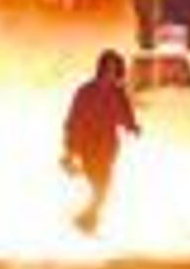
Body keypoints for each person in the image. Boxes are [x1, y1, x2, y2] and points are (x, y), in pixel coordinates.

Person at [60, 49, 142, 234]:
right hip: (87, 143)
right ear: (102, 68)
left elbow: (125, 115)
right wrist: (69, 150)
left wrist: (133, 127)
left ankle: (87, 220)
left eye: (115, 69)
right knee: (99, 184)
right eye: (108, 68)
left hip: (108, 145)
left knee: (104, 184)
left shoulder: (118, 93)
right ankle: (86, 219)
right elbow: (73, 120)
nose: (111, 73)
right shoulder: (85, 91)